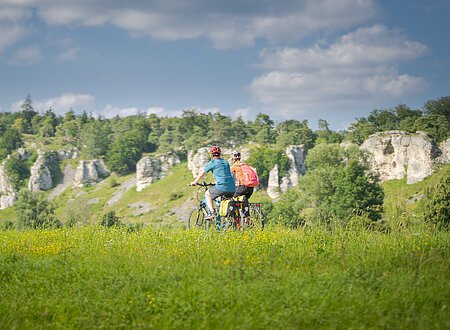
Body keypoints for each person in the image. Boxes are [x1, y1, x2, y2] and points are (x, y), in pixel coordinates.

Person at [190, 146, 235, 219]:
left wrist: (194, 182)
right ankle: (226, 221)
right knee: (223, 203)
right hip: (232, 188)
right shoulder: (225, 162)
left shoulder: (213, 162)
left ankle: (212, 212)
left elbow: (202, 173)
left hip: (222, 187)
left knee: (208, 194)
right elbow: (225, 174)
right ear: (220, 154)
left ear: (211, 154)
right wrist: (216, 181)